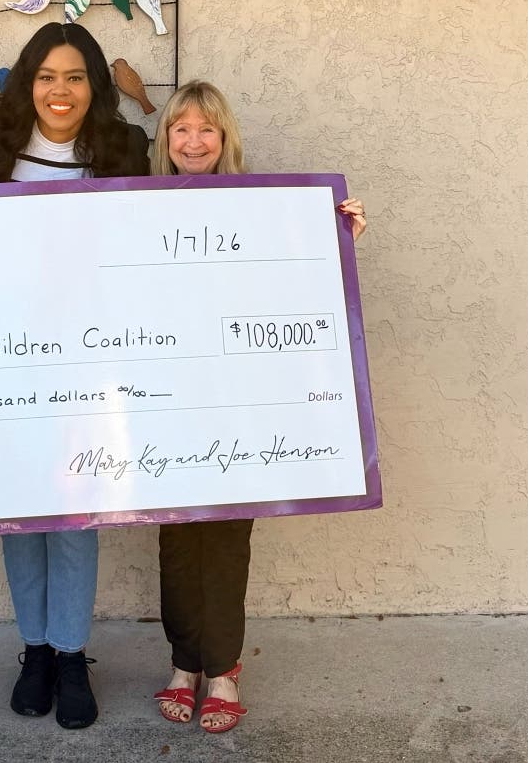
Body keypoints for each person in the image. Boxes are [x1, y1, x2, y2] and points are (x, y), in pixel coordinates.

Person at [149, 80, 366, 734]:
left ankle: (222, 669)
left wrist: (339, 233)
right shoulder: (135, 207)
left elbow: (297, 277)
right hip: (168, 403)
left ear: (225, 139)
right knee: (178, 542)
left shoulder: (262, 207)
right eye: (180, 129)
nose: (193, 141)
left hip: (239, 404)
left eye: (206, 130)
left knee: (228, 540)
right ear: (166, 140)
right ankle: (184, 664)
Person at [0, 21, 150, 728]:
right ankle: (32, 649)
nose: (59, 91)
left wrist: (315, 225)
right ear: (26, 83)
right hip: (0, 355)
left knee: (74, 508)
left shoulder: (125, 147)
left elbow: (167, 234)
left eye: (74, 77)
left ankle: (70, 654)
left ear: (93, 85)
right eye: (46, 76)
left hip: (92, 358)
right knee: (18, 505)